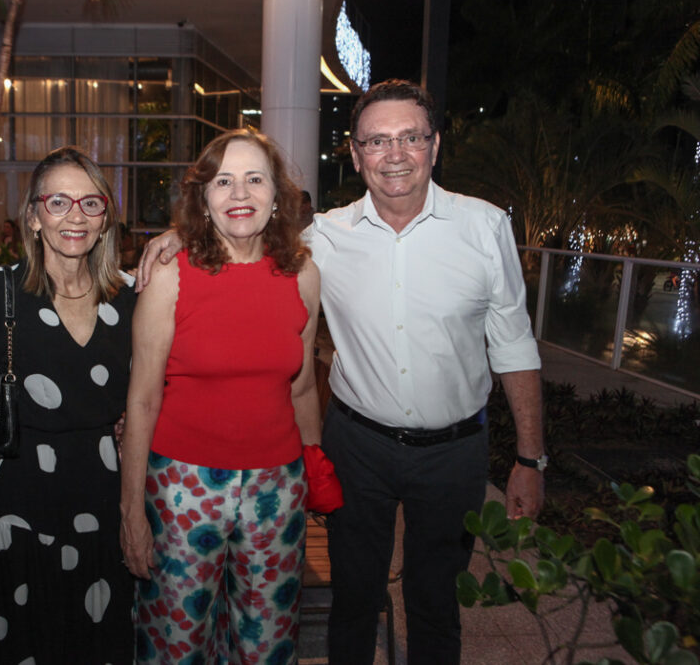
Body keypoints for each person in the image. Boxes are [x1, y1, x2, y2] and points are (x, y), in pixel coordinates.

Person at [135, 80, 545, 664]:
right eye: (377, 141)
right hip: (360, 448)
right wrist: (178, 233)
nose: (394, 154)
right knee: (354, 599)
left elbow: (515, 345)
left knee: (437, 603)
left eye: (410, 137)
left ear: (434, 146)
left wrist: (530, 458)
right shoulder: (325, 236)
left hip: (456, 452)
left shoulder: (484, 228)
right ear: (355, 154)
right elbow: (243, 227)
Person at [120, 129, 322, 663]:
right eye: (223, 182)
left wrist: (315, 468)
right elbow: (141, 401)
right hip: (183, 487)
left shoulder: (303, 276)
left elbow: (302, 386)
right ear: (203, 200)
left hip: (278, 489)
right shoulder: (171, 274)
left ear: (277, 196)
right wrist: (131, 510)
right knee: (177, 642)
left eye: (254, 179)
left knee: (267, 642)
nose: (239, 194)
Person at [0, 146, 135, 664]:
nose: (76, 216)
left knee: (100, 643)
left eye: (91, 203)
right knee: (31, 640)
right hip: (21, 512)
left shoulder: (129, 300)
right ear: (32, 216)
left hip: (105, 504)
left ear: (105, 219)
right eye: (59, 202)